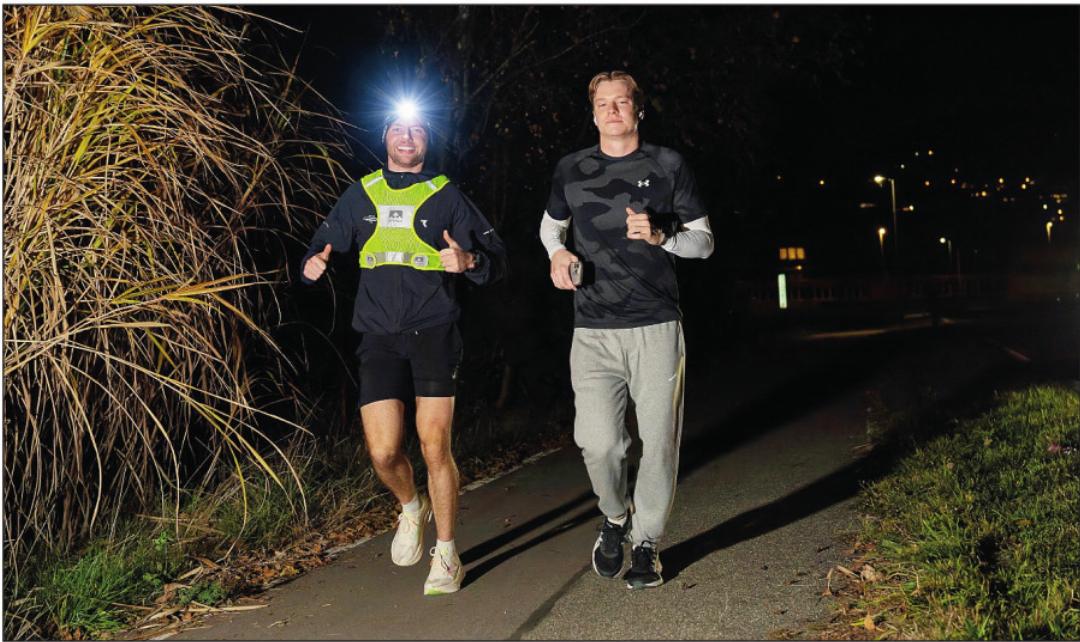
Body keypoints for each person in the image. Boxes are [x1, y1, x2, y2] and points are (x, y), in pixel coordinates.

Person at [301, 103, 506, 595]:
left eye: (417, 129)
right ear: (386, 137)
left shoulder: (447, 196)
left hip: (435, 330)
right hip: (379, 336)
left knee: (435, 445)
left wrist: (469, 259)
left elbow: (496, 261)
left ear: (426, 141)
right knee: (383, 451)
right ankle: (412, 507)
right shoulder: (361, 193)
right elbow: (321, 243)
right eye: (398, 127)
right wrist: (313, 260)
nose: (407, 135)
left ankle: (448, 553)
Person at [539, 70, 714, 589]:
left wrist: (663, 235)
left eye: (622, 102)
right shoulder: (571, 168)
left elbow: (704, 242)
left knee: (657, 443)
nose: (612, 110)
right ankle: (614, 517)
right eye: (603, 103)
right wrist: (557, 253)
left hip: (656, 325)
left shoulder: (667, 165)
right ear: (592, 113)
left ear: (639, 111)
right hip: (591, 329)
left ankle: (647, 543)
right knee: (598, 444)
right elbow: (552, 226)